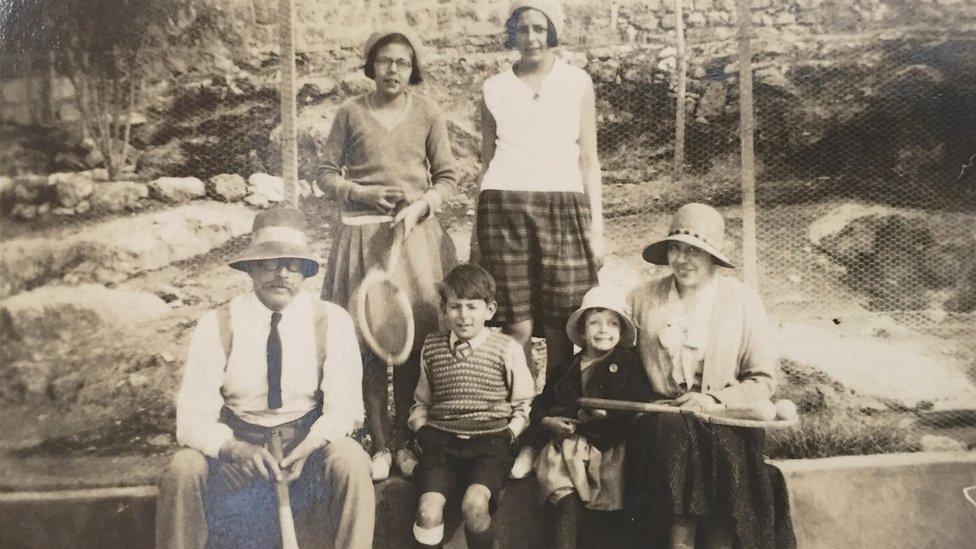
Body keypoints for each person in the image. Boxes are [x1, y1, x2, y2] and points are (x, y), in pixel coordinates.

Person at [155, 208, 374, 549]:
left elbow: (345, 408)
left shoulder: (331, 320)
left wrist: (310, 446)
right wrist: (232, 448)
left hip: (306, 447)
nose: (281, 274)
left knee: (352, 460)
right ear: (252, 268)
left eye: (292, 264)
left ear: (305, 271)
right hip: (239, 450)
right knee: (183, 469)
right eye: (270, 263)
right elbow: (192, 417)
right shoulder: (217, 323)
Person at [316, 25, 459, 481]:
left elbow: (448, 179)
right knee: (371, 345)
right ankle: (380, 445)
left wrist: (421, 206)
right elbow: (323, 174)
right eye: (384, 61)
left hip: (414, 241)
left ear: (413, 68)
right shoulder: (350, 112)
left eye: (402, 62)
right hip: (361, 239)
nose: (392, 69)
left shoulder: (429, 113)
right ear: (371, 66)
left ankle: (408, 441)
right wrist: (357, 193)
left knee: (413, 340)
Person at [625, 203, 796, 549]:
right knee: (676, 434)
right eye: (676, 248)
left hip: (725, 422)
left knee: (719, 450)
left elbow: (762, 380)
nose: (682, 259)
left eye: (694, 251)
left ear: (712, 257)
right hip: (663, 423)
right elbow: (622, 367)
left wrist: (713, 400)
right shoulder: (641, 299)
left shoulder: (742, 302)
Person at [472, 0, 604, 386]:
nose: (531, 37)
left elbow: (589, 159)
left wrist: (597, 231)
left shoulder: (576, 81)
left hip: (563, 204)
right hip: (503, 205)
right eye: (523, 28)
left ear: (552, 33)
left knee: (563, 323)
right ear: (512, 32)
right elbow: (486, 161)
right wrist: (475, 231)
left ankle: (556, 407)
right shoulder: (493, 87)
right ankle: (524, 409)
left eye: (539, 28)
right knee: (518, 324)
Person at [409, 264, 535, 549]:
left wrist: (509, 434)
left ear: (489, 310)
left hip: (489, 445)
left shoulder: (505, 347)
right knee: (428, 511)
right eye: (455, 306)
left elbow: (525, 404)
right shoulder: (432, 347)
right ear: (444, 309)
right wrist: (421, 429)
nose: (463, 316)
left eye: (472, 307)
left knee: (475, 505)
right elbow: (421, 402)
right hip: (441, 443)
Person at [523, 285, 652, 549]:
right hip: (567, 450)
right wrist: (548, 422)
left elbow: (639, 408)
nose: (603, 330)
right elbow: (542, 404)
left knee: (602, 520)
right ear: (582, 330)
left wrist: (608, 415)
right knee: (565, 505)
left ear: (621, 331)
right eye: (595, 323)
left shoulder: (628, 365)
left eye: (612, 324)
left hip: (607, 451)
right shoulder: (568, 366)